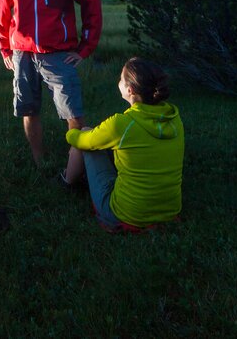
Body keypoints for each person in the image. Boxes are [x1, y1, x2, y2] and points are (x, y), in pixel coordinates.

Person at [0, 0, 102, 168]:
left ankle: (77, 164)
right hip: (22, 52)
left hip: (58, 53)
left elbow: (91, 2)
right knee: (28, 109)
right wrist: (6, 49)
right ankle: (38, 161)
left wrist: (85, 47)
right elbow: (2, 13)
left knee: (72, 111)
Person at [65, 57, 184, 231]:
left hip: (126, 215)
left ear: (130, 90)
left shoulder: (122, 124)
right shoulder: (175, 120)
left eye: (120, 78)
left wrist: (71, 133)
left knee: (85, 135)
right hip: (170, 211)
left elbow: (81, 141)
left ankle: (66, 183)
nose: (118, 81)